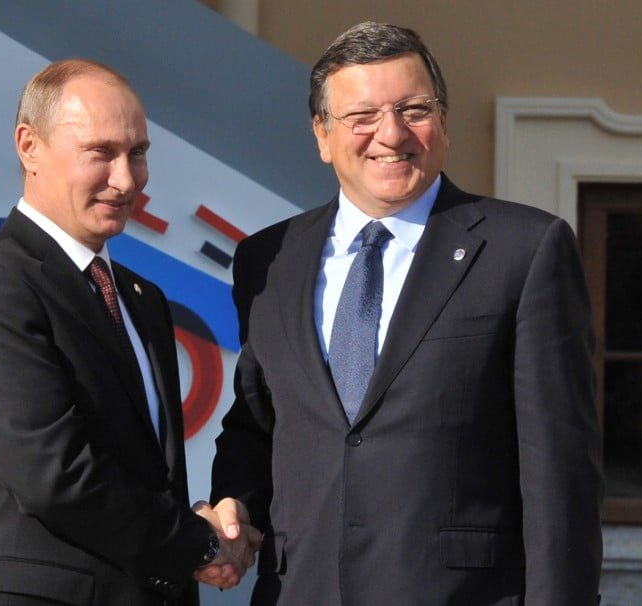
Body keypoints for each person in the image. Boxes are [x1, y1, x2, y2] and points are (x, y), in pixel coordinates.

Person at [210, 22, 603, 605]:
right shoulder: (268, 258)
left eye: (414, 109)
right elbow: (261, 422)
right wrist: (234, 503)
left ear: (442, 123)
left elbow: (559, 474)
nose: (391, 134)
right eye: (361, 116)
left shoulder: (525, 250)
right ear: (322, 135)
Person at [0, 58, 259, 606]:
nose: (126, 179)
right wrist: (196, 543)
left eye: (138, 153)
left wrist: (205, 525)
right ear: (29, 147)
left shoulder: (140, 298)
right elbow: (56, 478)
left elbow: (144, 475)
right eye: (100, 153)